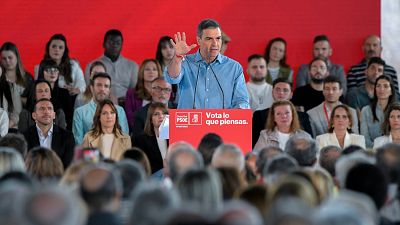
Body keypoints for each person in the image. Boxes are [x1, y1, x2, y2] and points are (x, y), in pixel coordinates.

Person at [165, 19, 249, 109]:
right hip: (190, 122)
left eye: (218, 38)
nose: (215, 43)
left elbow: (242, 100)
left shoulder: (234, 67)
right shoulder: (186, 62)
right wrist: (177, 57)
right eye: (209, 39)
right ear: (199, 40)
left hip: (221, 122)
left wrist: (239, 112)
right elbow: (172, 78)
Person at [252, 78, 313, 147]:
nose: (281, 93)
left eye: (285, 90)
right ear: (272, 93)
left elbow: (311, 145)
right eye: (277, 90)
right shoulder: (259, 115)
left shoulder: (303, 116)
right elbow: (254, 143)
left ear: (291, 95)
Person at [85, 29, 139, 105]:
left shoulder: (133, 66)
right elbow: (89, 88)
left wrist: (128, 99)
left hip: (126, 104)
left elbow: (135, 90)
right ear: (103, 44)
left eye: (118, 43)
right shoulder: (92, 65)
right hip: (100, 103)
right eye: (111, 42)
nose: (114, 45)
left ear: (122, 45)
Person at [73, 72, 129, 145]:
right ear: (91, 88)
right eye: (99, 85)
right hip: (89, 154)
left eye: (106, 86)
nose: (102, 89)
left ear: (109, 90)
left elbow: (124, 139)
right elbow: (79, 142)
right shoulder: (80, 112)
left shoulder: (119, 110)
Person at [23, 98, 75, 168]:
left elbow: (68, 166)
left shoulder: (67, 137)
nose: (46, 111)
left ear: (54, 115)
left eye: (49, 108)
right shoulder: (23, 137)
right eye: (42, 108)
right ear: (34, 115)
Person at [0, 42, 34, 130]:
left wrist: (16, 97)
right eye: (4, 58)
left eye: (10, 57)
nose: (7, 61)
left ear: (17, 57)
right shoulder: (0, 78)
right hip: (5, 117)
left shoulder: (28, 78)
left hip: (23, 119)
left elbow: (32, 102)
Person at [37, 59, 75, 130]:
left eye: (55, 70)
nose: (52, 73)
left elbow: (70, 118)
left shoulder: (65, 93)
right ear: (41, 72)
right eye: (48, 70)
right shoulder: (35, 92)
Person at [125, 59, 162, 129]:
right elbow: (130, 118)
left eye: (154, 69)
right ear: (142, 72)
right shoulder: (131, 93)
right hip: (139, 131)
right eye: (147, 69)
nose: (151, 72)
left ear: (159, 73)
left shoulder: (165, 92)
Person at [132, 102, 169, 174]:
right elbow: (141, 165)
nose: (161, 116)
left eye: (164, 113)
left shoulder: (175, 137)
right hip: (152, 178)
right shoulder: (141, 140)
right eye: (156, 114)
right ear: (151, 120)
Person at [361, 75, 396, 148]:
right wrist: (377, 148)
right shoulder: (365, 110)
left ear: (391, 91)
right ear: (375, 89)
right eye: (378, 86)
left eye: (386, 86)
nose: (381, 89)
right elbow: (364, 138)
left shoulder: (398, 110)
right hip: (372, 152)